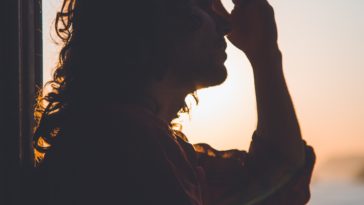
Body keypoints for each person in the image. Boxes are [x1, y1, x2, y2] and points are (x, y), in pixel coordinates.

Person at [33, 0, 315, 204]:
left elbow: (277, 173)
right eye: (206, 4)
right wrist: (265, 55)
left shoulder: (142, 141)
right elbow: (277, 175)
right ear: (156, 18)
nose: (225, 22)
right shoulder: (123, 142)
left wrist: (265, 53)